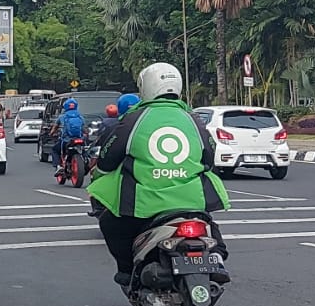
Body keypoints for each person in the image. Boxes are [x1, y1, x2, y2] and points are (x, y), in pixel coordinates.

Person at [87, 64, 230, 287]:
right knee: (209, 225)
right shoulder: (194, 119)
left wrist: (101, 173)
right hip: (192, 200)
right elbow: (209, 157)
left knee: (110, 223)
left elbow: (107, 159)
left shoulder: (133, 119)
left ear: (145, 87)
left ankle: (126, 271)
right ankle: (217, 259)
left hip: (145, 203)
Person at [52, 98, 85, 174]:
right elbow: (84, 129)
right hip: (79, 140)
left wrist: (51, 133)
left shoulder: (62, 117)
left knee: (55, 150)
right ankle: (86, 161)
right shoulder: (80, 117)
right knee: (84, 151)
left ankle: (58, 166)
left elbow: (55, 128)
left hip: (66, 140)